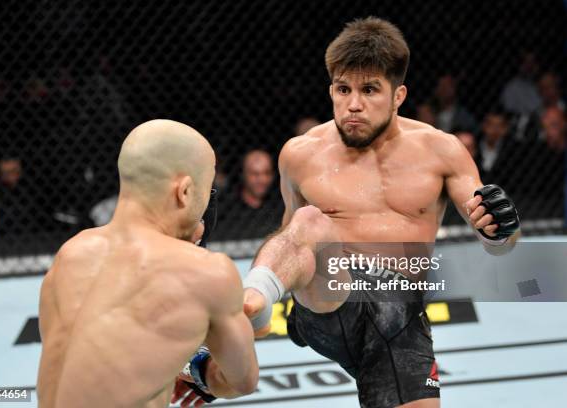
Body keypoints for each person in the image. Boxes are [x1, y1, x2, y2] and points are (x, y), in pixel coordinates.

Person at [241, 17, 520, 408]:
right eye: (343, 89)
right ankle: (249, 309)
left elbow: (498, 244)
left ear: (398, 95)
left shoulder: (442, 150)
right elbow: (292, 237)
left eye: (370, 90)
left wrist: (501, 230)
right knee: (309, 221)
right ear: (331, 90)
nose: (353, 104)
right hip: (329, 298)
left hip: (398, 319)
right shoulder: (300, 153)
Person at [37, 120, 258, 408]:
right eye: (207, 189)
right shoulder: (206, 273)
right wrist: (198, 366)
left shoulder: (71, 253)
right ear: (185, 191)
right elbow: (242, 380)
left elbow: (105, 358)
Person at [211, 149, 283, 241]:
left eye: (267, 173)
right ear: (243, 174)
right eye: (255, 174)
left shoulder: (279, 206)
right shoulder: (226, 209)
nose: (262, 180)